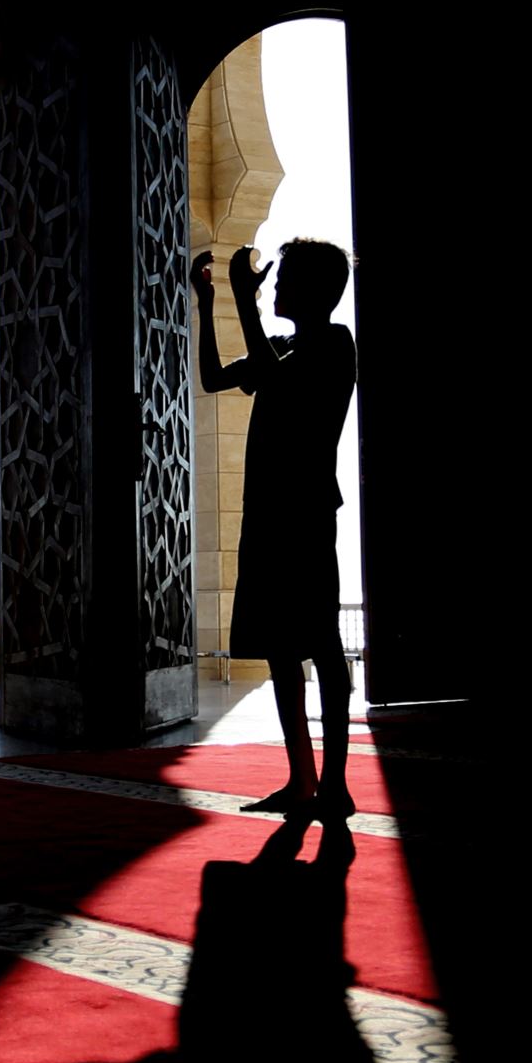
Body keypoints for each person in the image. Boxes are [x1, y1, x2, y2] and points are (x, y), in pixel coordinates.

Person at [192, 239, 357, 815]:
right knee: (282, 651)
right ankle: (302, 781)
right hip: (267, 511)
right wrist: (206, 304)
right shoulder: (284, 346)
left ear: (315, 289)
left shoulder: (335, 344)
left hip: (304, 511)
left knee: (323, 646)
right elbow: (214, 377)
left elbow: (277, 382)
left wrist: (242, 301)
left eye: (285, 278)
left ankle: (335, 784)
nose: (276, 286)